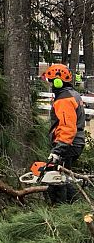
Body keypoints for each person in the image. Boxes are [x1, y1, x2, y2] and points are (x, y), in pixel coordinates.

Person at [43, 63, 86, 204]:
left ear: (57, 81)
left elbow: (68, 128)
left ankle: (62, 209)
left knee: (57, 179)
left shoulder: (64, 99)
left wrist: (58, 150)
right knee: (63, 176)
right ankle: (75, 207)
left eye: (51, 81)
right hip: (74, 143)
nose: (50, 84)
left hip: (68, 144)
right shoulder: (72, 94)